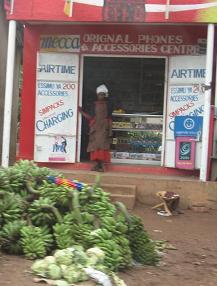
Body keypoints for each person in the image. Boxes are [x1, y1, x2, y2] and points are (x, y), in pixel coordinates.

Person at [78, 84, 112, 172]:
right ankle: (98, 165)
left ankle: (102, 165)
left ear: (105, 95)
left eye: (102, 94)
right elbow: (90, 117)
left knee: (102, 146)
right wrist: (81, 112)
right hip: (95, 128)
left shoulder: (109, 105)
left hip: (104, 128)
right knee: (94, 147)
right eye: (99, 94)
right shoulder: (93, 105)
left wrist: (109, 129)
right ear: (97, 95)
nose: (101, 96)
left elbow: (110, 117)